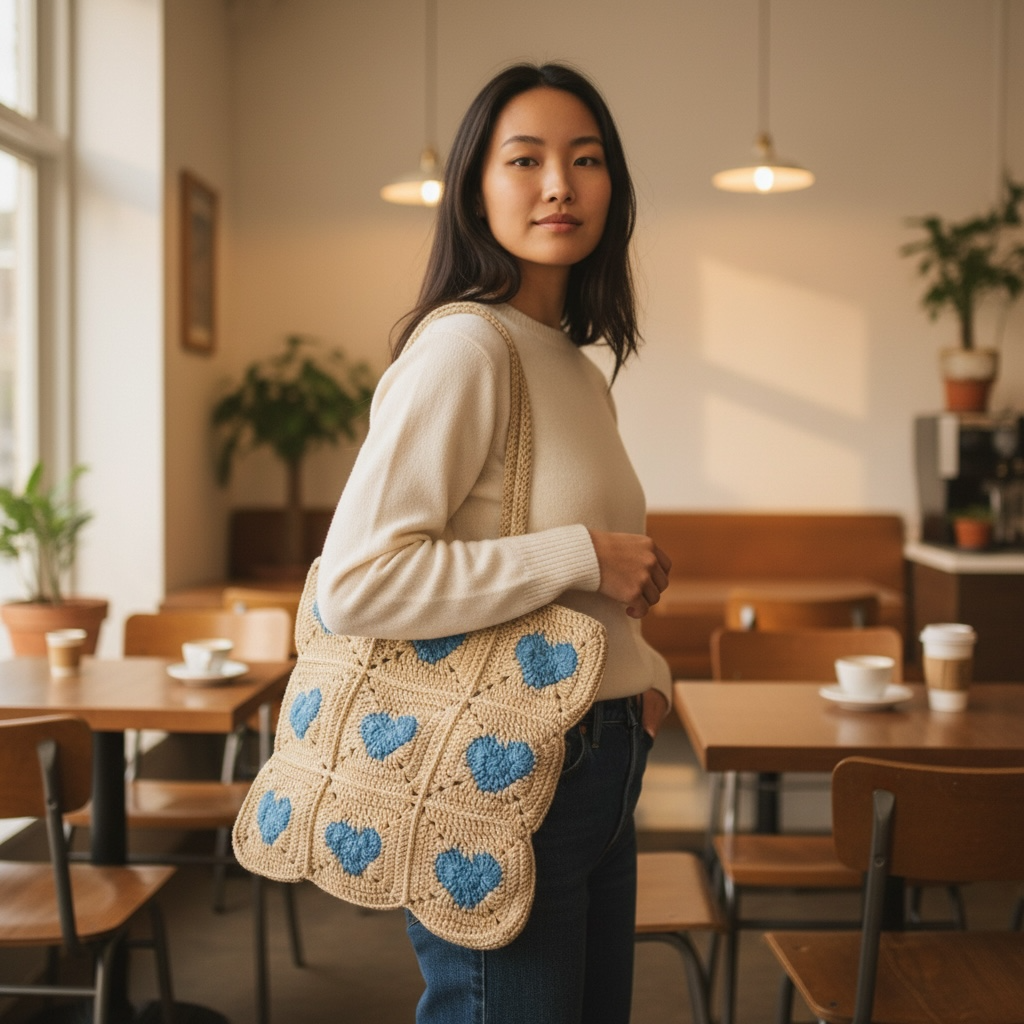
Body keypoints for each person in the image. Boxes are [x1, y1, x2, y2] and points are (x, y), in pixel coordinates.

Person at [316, 61, 672, 1024]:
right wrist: (585, 555)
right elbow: (357, 583)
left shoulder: (567, 359)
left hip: (590, 763)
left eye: (586, 159)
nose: (560, 184)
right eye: (527, 159)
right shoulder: (465, 348)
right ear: (475, 187)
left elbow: (579, 577)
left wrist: (641, 678)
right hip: (499, 766)